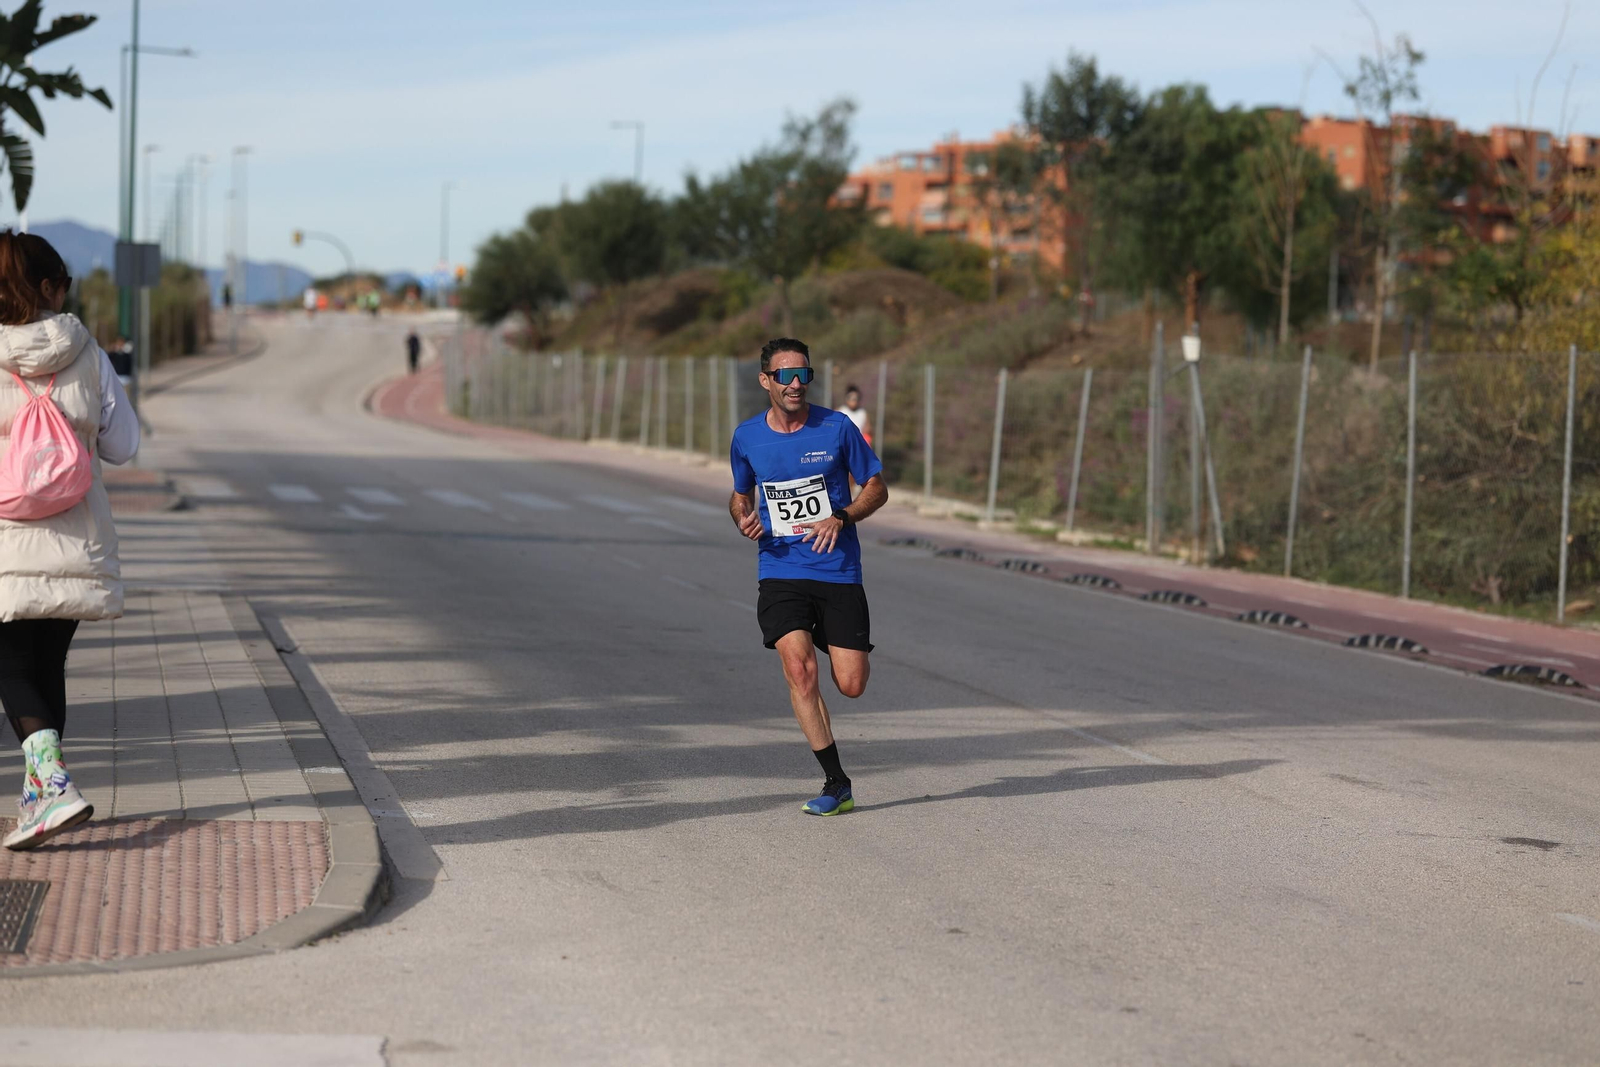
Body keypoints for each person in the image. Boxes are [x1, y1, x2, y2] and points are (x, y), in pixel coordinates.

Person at [0, 231, 139, 850]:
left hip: (7, 539)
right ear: (51, 288)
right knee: (45, 663)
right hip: (78, 541)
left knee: (9, 663)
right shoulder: (91, 355)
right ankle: (39, 798)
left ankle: (52, 787)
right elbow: (125, 446)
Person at [728, 338, 887, 816]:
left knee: (852, 684)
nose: (796, 384)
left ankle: (825, 633)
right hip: (780, 567)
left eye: (804, 375)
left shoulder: (837, 428)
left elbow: (876, 489)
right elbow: (740, 496)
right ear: (766, 381)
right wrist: (743, 518)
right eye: (785, 376)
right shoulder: (746, 437)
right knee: (799, 670)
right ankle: (836, 783)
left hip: (838, 570)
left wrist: (842, 515)